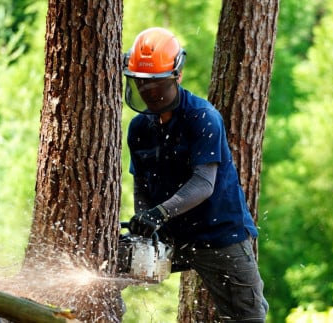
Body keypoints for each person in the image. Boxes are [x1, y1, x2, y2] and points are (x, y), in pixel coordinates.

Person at [123, 27, 268, 322]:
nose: (150, 94)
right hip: (172, 236)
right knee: (110, 262)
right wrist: (144, 219)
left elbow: (203, 184)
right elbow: (141, 183)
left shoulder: (202, 118)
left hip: (220, 236)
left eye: (157, 86)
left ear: (177, 76)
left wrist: (159, 213)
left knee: (248, 316)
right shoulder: (139, 128)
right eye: (142, 85)